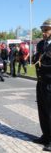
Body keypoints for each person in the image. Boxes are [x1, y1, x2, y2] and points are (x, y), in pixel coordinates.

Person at [33, 18, 51, 151]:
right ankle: (45, 135)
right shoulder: (40, 44)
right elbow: (35, 59)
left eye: (46, 30)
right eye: (42, 30)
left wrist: (41, 63)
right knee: (43, 111)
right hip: (41, 82)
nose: (43, 33)